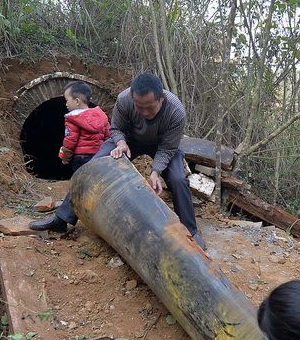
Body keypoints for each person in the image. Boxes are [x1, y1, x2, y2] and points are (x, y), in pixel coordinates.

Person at [31, 73, 205, 249]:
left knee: (177, 178)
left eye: (150, 108)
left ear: (161, 98)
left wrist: (155, 171)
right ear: (132, 98)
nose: (145, 113)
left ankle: (191, 231)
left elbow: (168, 148)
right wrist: (121, 143)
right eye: (139, 107)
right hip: (129, 140)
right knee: (94, 166)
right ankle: (61, 218)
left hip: (163, 145)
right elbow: (116, 129)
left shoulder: (176, 111)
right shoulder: (124, 99)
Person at [28, 81, 109, 235]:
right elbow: (107, 137)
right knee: (87, 187)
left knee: (78, 187)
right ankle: (62, 220)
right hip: (99, 157)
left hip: (81, 158)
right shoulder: (102, 116)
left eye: (67, 100)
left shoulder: (73, 118)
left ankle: (60, 220)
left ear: (77, 101)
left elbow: (70, 141)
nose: (65, 104)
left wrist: (65, 157)